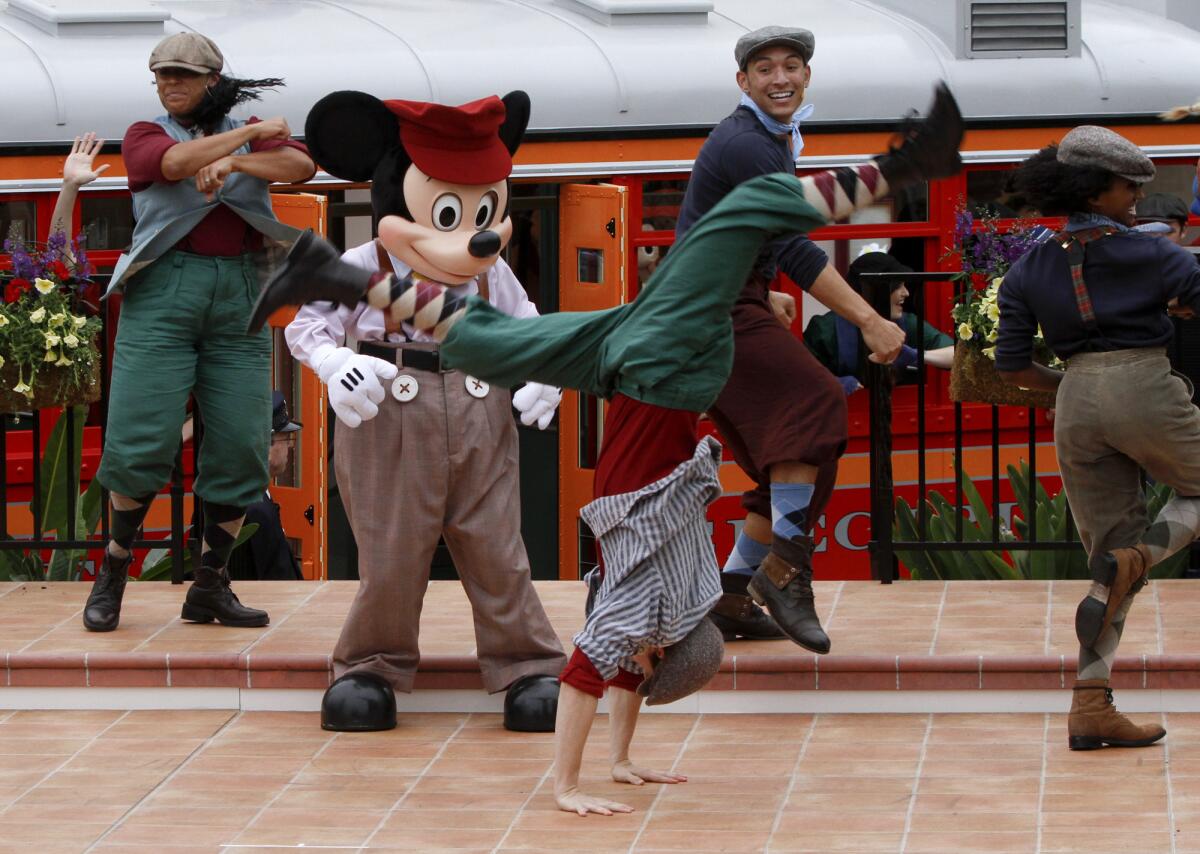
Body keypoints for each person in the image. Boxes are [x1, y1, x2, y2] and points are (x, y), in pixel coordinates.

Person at [252, 67, 963, 809]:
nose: (640, 663)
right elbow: (607, 672)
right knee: (748, 209)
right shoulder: (664, 601)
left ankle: (324, 271)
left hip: (633, 355)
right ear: (659, 653)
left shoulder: (653, 607)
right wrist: (594, 774)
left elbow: (606, 673)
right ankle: (909, 163)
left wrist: (595, 774)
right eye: (651, 663)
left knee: (491, 340)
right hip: (656, 355)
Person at [81, 31, 315, 633]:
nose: (170, 84)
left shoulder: (251, 137)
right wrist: (241, 138)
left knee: (241, 443)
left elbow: (300, 166)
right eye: (162, 75)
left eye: (183, 75)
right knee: (141, 443)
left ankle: (210, 585)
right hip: (163, 293)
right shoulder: (145, 131)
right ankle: (113, 573)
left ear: (212, 79)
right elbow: (168, 165)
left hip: (240, 294)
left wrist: (235, 161)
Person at [996, 125, 1200, 750]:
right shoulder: (1158, 255)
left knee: (1104, 564)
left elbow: (1010, 368)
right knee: (1162, 527)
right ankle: (1143, 556)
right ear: (1097, 188)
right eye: (1127, 186)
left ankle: (1090, 704)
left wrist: (1070, 382)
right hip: (1145, 386)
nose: (1136, 195)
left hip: (1075, 402)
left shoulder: (1028, 266)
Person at [804, 250, 954, 394]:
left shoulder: (909, 324)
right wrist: (834, 384)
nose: (906, 293)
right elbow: (800, 374)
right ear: (875, 290)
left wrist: (917, 355)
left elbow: (959, 355)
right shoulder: (825, 329)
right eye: (898, 286)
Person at [223, 391, 303, 581]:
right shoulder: (254, 509)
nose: (290, 447)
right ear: (265, 444)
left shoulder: (235, 493)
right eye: (286, 438)